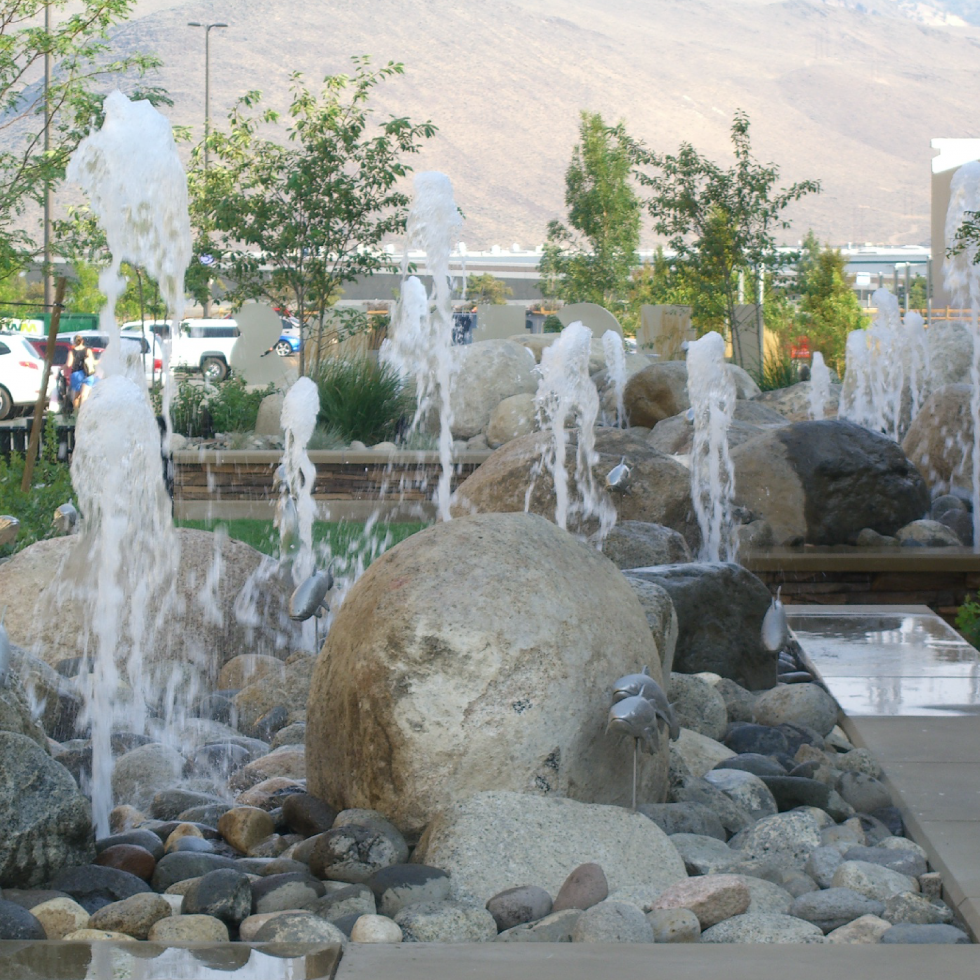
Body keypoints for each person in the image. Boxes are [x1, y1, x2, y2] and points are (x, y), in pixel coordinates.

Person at [66, 335, 97, 409]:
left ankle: (76, 413)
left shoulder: (72, 352)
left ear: (74, 342)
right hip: (87, 374)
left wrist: (62, 367)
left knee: (76, 396)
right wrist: (101, 359)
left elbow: (68, 364)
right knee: (84, 396)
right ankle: (82, 415)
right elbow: (93, 362)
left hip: (76, 375)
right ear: (82, 341)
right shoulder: (88, 350)